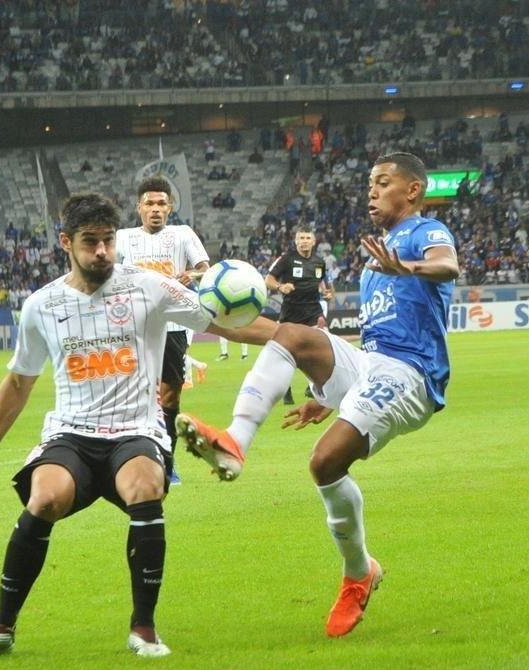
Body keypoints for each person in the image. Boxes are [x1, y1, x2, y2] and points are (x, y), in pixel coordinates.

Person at [0, 193, 271, 658]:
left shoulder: (149, 287)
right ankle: (1, 625)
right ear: (66, 242)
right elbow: (18, 382)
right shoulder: (41, 305)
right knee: (45, 498)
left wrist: (301, 341)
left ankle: (144, 628)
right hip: (71, 433)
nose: (102, 252)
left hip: (136, 430)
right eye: (90, 242)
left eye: (108, 241)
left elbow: (221, 321)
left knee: (145, 486)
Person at [176, 152, 460, 638]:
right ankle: (236, 440)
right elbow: (375, 340)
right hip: (372, 363)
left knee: (325, 462)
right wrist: (330, 395)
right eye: (369, 184)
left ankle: (358, 573)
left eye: (383, 183)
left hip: (412, 374)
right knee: (291, 334)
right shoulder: (376, 259)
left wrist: (408, 268)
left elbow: (448, 265)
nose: (371, 192)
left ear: (413, 190)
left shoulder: (425, 233)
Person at [116, 176, 210, 485]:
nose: (155, 209)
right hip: (133, 326)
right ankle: (131, 460)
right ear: (139, 207)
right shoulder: (123, 238)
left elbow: (206, 271)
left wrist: (192, 275)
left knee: (170, 395)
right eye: (149, 204)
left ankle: (167, 464)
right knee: (133, 395)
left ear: (170, 207)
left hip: (173, 326)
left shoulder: (182, 234)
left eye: (161, 203)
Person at [266, 223, 334, 405]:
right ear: (296, 241)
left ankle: (314, 385)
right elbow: (268, 279)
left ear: (313, 241)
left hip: (313, 311)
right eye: (301, 238)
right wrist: (280, 286)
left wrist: (327, 293)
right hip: (291, 311)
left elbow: (324, 284)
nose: (304, 241)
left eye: (307, 238)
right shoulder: (286, 259)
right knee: (285, 354)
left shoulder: (319, 262)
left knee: (324, 346)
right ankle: (285, 389)